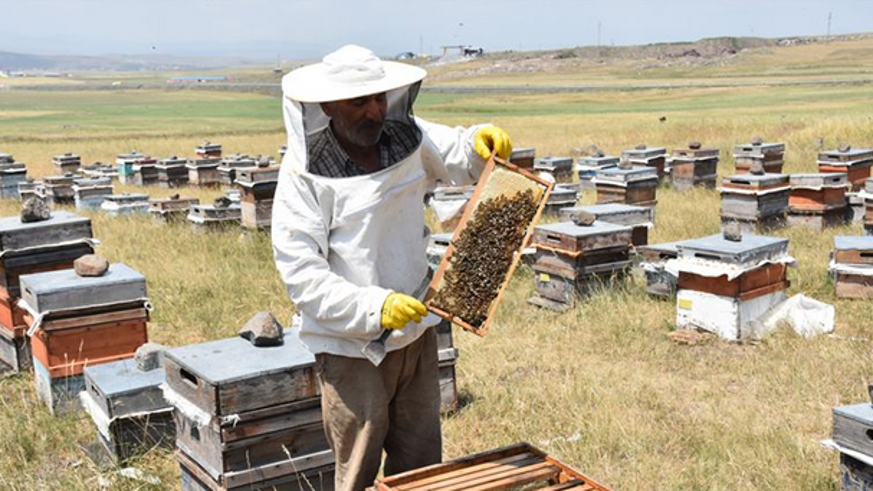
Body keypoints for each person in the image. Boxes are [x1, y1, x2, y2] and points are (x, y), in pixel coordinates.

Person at [272, 45, 512, 491]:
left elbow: (459, 155)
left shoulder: (406, 137)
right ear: (328, 106)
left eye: (380, 98)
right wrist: (374, 308)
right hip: (350, 348)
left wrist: (481, 141)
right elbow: (302, 276)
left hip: (416, 330)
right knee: (357, 471)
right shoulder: (302, 176)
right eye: (359, 102)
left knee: (421, 467)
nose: (375, 111)